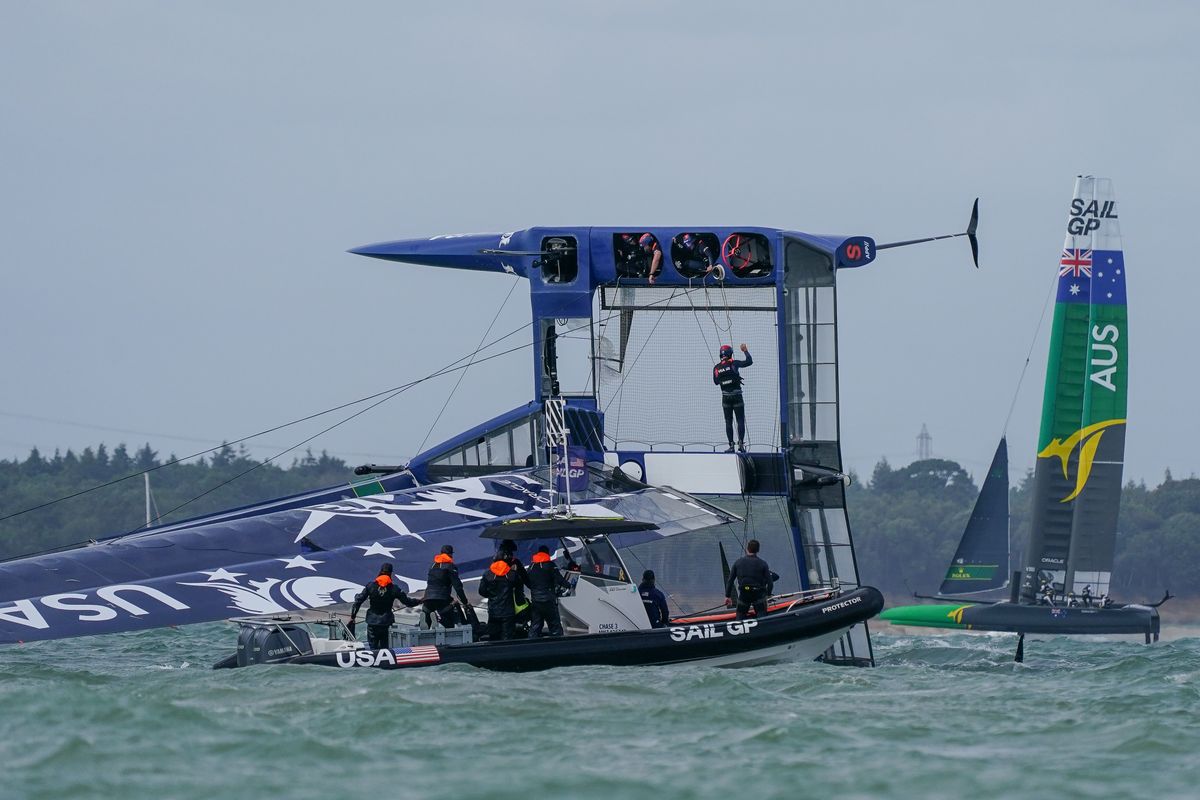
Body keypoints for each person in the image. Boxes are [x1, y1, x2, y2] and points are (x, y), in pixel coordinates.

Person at [348, 563, 422, 650]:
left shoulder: (370, 586)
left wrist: (353, 617)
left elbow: (358, 601)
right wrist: (421, 601)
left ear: (380, 572)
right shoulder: (395, 589)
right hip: (386, 623)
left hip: (372, 622)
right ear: (391, 574)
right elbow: (408, 602)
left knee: (373, 649)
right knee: (385, 649)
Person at [713, 343, 753, 452]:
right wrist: (745, 351)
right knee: (740, 420)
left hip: (725, 397)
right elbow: (749, 362)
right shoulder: (734, 364)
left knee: (728, 421)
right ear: (730, 354)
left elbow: (716, 382)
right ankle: (741, 445)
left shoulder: (716, 368)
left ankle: (731, 446)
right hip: (737, 396)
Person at [478, 554, 528, 641]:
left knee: (493, 637)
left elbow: (481, 591)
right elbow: (519, 588)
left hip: (493, 611)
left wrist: (491, 596)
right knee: (507, 638)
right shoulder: (512, 574)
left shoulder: (487, 574)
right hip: (508, 612)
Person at [526, 545, 571, 637]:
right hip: (548, 601)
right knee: (554, 626)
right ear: (547, 553)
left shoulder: (531, 566)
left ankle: (530, 646)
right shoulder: (550, 565)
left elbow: (527, 581)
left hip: (535, 601)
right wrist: (569, 586)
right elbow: (559, 579)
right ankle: (558, 647)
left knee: (536, 626)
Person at [724, 539, 773, 621]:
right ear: (758, 550)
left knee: (739, 619)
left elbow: (730, 580)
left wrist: (727, 596)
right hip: (758, 595)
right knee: (762, 619)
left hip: (744, 594)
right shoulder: (763, 564)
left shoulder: (738, 562)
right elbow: (770, 583)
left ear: (747, 548)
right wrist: (768, 595)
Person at [422, 544, 469, 629]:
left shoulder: (432, 566)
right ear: (450, 554)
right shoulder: (450, 566)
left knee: (428, 611)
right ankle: (456, 626)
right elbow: (458, 586)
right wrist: (465, 601)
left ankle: (427, 623)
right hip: (442, 598)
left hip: (428, 598)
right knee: (450, 618)